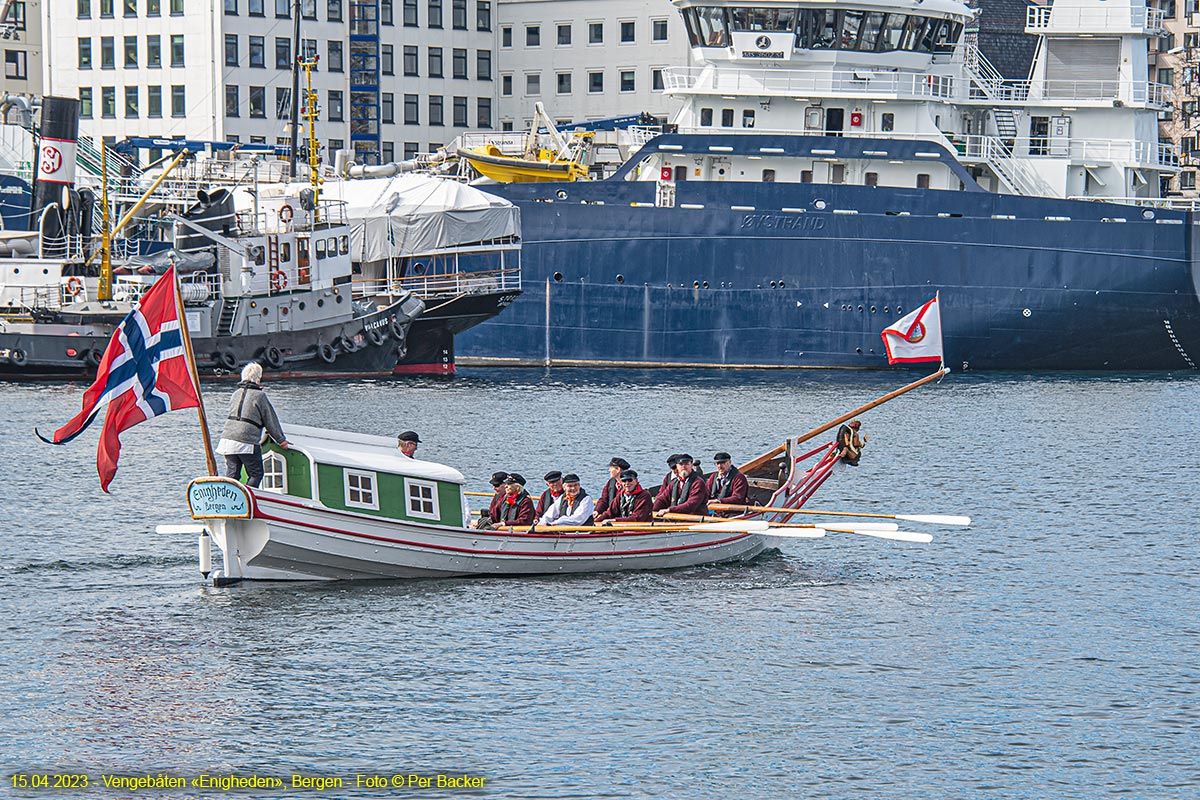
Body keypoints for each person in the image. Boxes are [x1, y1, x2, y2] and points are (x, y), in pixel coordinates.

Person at [216, 361, 289, 488]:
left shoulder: (235, 394)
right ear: (258, 379)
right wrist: (281, 440)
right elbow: (270, 419)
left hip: (227, 439)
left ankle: (229, 501)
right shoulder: (260, 396)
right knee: (256, 474)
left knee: (233, 475)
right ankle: (248, 500)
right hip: (246, 440)